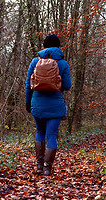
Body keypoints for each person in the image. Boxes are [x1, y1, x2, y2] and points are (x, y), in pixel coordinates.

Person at [25, 34, 71, 176]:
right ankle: (47, 169)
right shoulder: (63, 63)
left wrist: (28, 102)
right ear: (58, 46)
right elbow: (68, 86)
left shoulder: (35, 61)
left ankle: (38, 166)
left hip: (37, 103)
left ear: (44, 46)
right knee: (51, 135)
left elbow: (28, 85)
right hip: (55, 104)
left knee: (40, 132)